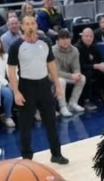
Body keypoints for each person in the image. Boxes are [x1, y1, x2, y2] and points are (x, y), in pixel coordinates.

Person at [7, 15, 68, 165]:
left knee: (51, 121)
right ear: (22, 26)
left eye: (32, 23)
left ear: (36, 25)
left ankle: (56, 154)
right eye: (27, 24)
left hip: (44, 85)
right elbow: (11, 70)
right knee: (25, 125)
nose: (30, 26)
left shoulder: (45, 41)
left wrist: (57, 85)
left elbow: (51, 64)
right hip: (26, 87)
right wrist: (16, 92)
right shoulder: (16, 46)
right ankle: (27, 158)